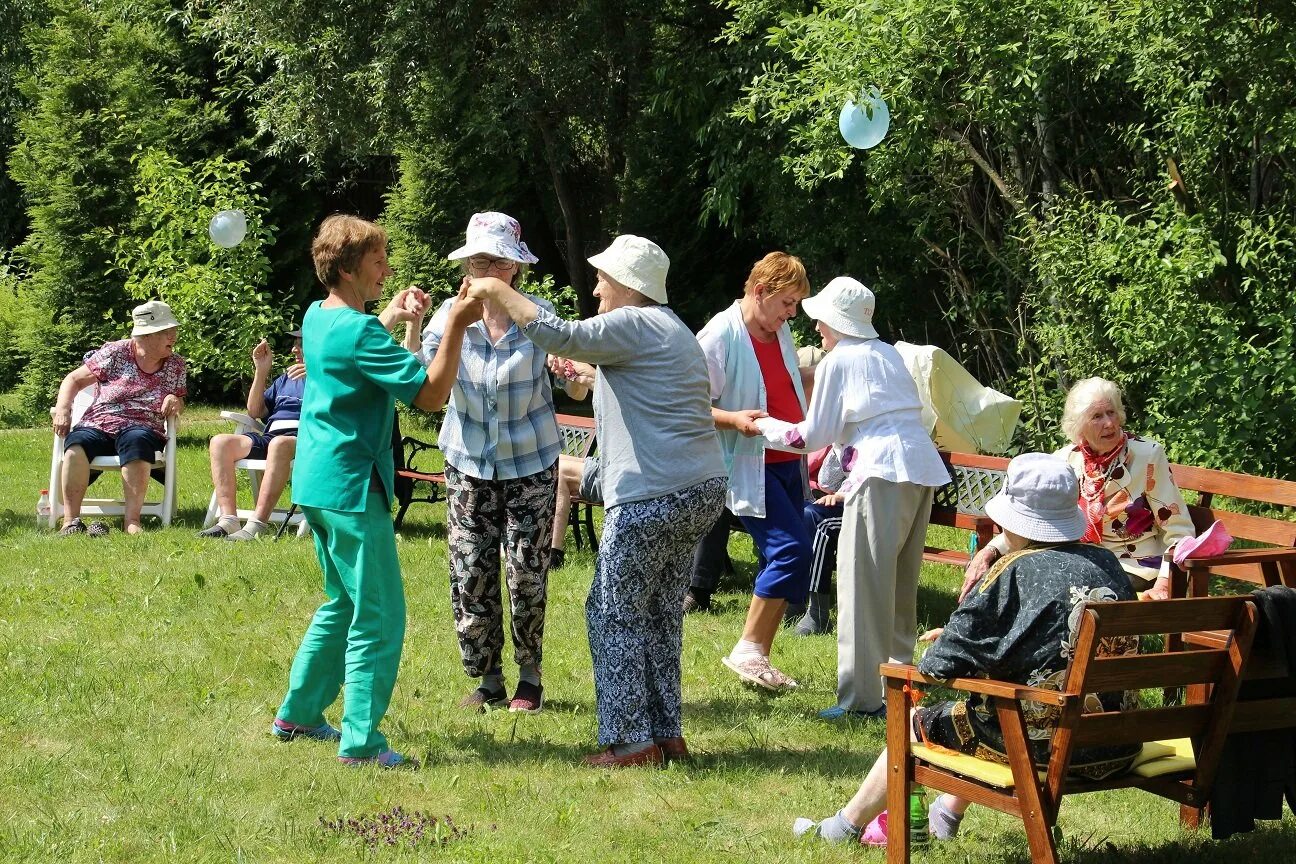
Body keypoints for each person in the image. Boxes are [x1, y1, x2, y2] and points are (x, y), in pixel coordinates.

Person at [466, 233, 727, 767]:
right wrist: (589, 373)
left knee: (612, 611)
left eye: (605, 278)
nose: (598, 287)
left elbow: (558, 333)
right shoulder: (669, 328)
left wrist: (493, 285)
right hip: (698, 489)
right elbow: (638, 383)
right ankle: (665, 731)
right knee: (657, 614)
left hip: (652, 494)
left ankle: (631, 742)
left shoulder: (632, 322)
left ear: (630, 285)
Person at [793, 453, 1140, 845]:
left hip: (1051, 750)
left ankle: (842, 828)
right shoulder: (1107, 563)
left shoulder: (1013, 571)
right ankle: (944, 815)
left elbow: (936, 667)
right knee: (1003, 706)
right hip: (1117, 742)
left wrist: (958, 640)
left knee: (930, 720)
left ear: (1014, 518)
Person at [272, 213, 478, 768]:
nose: (387, 271)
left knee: (341, 603)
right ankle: (361, 743)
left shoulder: (318, 317)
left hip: (316, 483)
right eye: (377, 263)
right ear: (346, 269)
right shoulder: (360, 331)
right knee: (379, 615)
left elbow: (364, 347)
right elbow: (430, 395)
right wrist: (455, 323)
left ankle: (298, 712)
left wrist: (397, 318)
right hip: (351, 487)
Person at [403, 211, 584, 716]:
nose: (486, 270)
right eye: (478, 259)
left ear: (514, 270)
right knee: (470, 571)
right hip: (467, 463)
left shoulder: (538, 318)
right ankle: (488, 680)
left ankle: (531, 677)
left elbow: (572, 381)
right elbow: (423, 381)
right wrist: (414, 326)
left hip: (531, 462)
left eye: (497, 261)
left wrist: (572, 376)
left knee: (526, 570)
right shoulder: (449, 316)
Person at [755, 277, 950, 719]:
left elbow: (811, 436)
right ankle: (901, 689)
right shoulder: (887, 354)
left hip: (880, 473)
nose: (817, 328)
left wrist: (762, 425)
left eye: (821, 319)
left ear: (838, 321)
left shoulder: (839, 360)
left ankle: (861, 700)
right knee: (900, 586)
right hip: (918, 470)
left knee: (862, 587)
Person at [961, 376, 1196, 602]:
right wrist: (989, 551)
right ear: (1080, 426)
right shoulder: (1065, 461)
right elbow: (1033, 523)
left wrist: (1164, 582)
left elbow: (1179, 530)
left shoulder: (1146, 456)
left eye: (1111, 412)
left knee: (1048, 582)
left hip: (1130, 567)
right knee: (1014, 572)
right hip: (1075, 561)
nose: (1109, 423)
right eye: (1097, 416)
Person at [695, 251, 813, 692]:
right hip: (749, 464)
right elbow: (687, 404)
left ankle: (758, 655)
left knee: (786, 554)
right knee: (791, 550)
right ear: (760, 291)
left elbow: (787, 383)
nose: (791, 313)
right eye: (787, 302)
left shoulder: (777, 330)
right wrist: (733, 420)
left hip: (785, 460)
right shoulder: (718, 336)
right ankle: (749, 650)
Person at [51, 300, 186, 537]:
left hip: (142, 425)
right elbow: (73, 380)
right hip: (99, 421)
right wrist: (63, 408)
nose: (173, 336)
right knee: (76, 445)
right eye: (166, 331)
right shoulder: (116, 352)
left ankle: (132, 521)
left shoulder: (176, 364)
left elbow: (179, 400)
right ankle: (71, 520)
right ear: (145, 336)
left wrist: (175, 399)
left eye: (173, 330)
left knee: (137, 441)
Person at [200, 329, 306, 540]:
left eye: (301, 344)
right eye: (295, 343)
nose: (294, 348)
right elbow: (255, 412)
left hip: (306, 440)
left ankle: (257, 524)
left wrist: (319, 374)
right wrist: (261, 370)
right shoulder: (285, 379)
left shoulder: (331, 379)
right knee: (220, 442)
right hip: (272, 436)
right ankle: (229, 520)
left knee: (279, 444)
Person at [548, 358, 598, 569]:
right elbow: (578, 393)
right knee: (554, 462)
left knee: (558, 469)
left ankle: (553, 554)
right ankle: (548, 549)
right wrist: (574, 371)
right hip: (613, 464)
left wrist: (592, 376)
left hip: (630, 472)